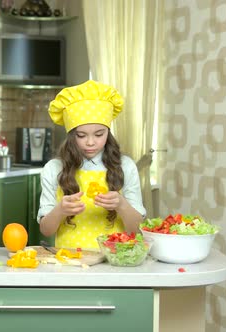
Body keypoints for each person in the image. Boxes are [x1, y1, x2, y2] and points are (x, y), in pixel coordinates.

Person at [37, 80, 146, 249]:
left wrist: (121, 205)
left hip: (115, 261)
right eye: (81, 135)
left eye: (99, 134)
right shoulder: (54, 168)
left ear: (108, 133)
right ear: (71, 135)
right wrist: (60, 210)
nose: (90, 143)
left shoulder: (126, 166)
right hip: (70, 262)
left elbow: (137, 230)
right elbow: (46, 230)